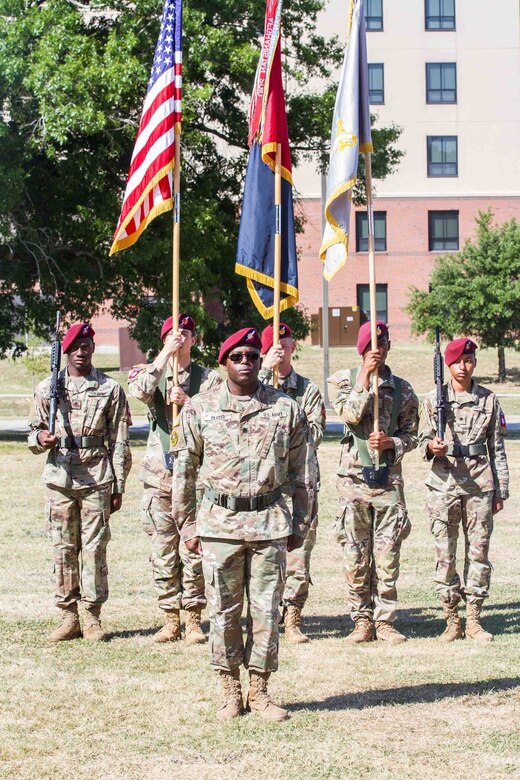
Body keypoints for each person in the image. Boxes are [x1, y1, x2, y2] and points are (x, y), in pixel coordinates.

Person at [172, 327, 313, 721]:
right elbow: (183, 471)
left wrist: (300, 522)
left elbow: (304, 472)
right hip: (219, 526)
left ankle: (261, 690)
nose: (246, 362)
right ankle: (229, 689)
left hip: (270, 524)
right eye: (238, 356)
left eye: (253, 355)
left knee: (267, 611)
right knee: (222, 611)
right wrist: (186, 525)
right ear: (224, 362)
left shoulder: (285, 408)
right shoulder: (199, 409)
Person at [28, 322, 132, 642]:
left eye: (86, 345)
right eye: (74, 346)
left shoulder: (110, 389)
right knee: (63, 549)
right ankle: (68, 616)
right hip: (59, 478)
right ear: (65, 351)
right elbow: (32, 432)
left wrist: (118, 486)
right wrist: (40, 438)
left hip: (97, 477)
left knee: (95, 548)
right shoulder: (49, 387)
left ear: (92, 349)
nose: (80, 352)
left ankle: (91, 617)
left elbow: (120, 441)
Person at [128, 314, 221, 644]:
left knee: (193, 550)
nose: (180, 338)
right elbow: (138, 390)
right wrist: (164, 355)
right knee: (163, 550)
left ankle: (194, 617)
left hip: (194, 479)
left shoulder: (209, 380)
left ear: (194, 340)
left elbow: (220, 417)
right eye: (172, 334)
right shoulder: (150, 371)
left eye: (185, 334)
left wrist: (190, 402)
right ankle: (170, 617)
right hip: (159, 477)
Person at [327, 321, 418, 644]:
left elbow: (413, 435)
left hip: (388, 482)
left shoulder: (403, 390)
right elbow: (350, 417)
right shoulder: (342, 381)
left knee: (388, 554)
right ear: (362, 350)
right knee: (355, 554)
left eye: (383, 345)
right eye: (371, 347)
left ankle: (385, 620)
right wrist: (365, 378)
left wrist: (392, 443)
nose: (377, 351)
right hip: (353, 482)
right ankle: (361, 619)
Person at [419, 337, 509, 642]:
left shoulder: (488, 399)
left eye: (469, 360)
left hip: (479, 485)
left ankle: (473, 618)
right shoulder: (434, 400)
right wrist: (433, 446)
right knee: (445, 554)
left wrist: (500, 491)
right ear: (448, 364)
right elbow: (421, 441)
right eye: (458, 361)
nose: (463, 367)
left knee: (479, 552)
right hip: (443, 485)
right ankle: (451, 619)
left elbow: (497, 448)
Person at [259, 322, 325, 643]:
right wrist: (262, 372)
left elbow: (314, 435)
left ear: (293, 345)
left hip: (300, 485)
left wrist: (280, 432)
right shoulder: (254, 386)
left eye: (284, 340)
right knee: (266, 557)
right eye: (273, 341)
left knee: (299, 554)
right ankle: (266, 616)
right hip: (266, 487)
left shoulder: (307, 391)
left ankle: (294, 618)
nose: (279, 345)